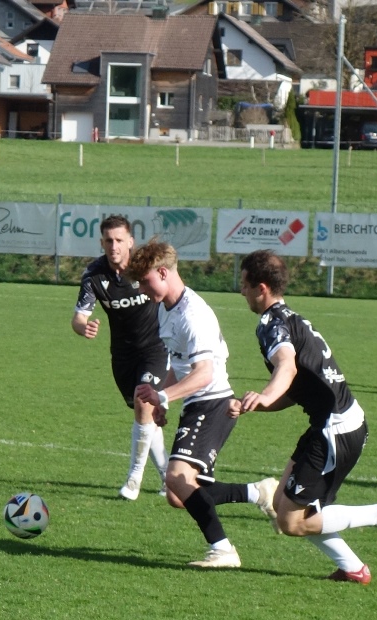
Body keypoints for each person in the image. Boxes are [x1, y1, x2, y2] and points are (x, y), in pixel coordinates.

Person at [235, 249, 377, 584]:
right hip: (332, 424)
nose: (241, 291)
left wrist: (266, 394)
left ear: (261, 288)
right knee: (283, 505)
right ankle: (353, 569)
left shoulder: (273, 324)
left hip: (336, 429)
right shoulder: (292, 318)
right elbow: (298, 386)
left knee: (291, 521)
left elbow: (287, 366)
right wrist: (259, 405)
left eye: (244, 284)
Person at [126, 240, 279, 568]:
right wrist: (164, 398)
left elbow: (204, 374)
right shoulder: (166, 308)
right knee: (178, 495)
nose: (141, 288)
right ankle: (258, 492)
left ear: (163, 273)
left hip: (213, 404)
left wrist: (163, 396)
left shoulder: (193, 315)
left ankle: (223, 550)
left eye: (144, 280)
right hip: (198, 404)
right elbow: (180, 363)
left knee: (176, 478)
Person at [71, 214, 169, 501]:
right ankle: (168, 477)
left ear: (130, 242)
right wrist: (83, 328)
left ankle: (134, 478)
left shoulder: (146, 266)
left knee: (143, 401)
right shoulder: (94, 276)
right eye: (108, 241)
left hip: (156, 348)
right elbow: (78, 317)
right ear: (101, 243)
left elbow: (172, 292)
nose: (114, 246)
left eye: (119, 240)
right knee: (145, 416)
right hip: (123, 356)